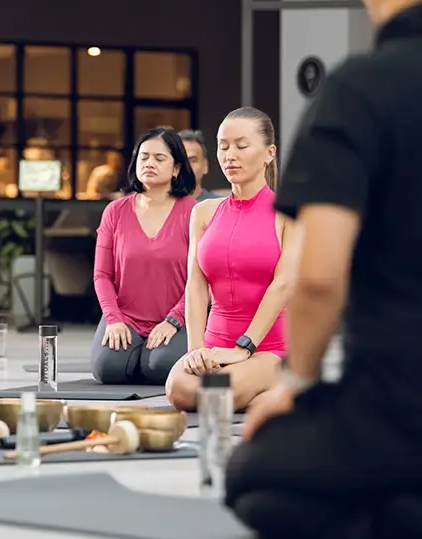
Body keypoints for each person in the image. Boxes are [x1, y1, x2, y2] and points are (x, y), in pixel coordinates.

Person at [226, 0, 422, 536]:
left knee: (254, 472)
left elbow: (317, 275)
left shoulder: (361, 89)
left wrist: (298, 386)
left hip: (395, 404)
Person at [165, 108, 298, 412]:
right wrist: (195, 351)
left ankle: (275, 384)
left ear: (269, 153)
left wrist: (244, 347)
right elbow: (196, 285)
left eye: (241, 145)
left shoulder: (289, 212)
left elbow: (283, 285)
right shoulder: (204, 212)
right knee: (177, 387)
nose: (230, 155)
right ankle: (273, 398)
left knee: (219, 391)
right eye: (223, 146)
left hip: (269, 349)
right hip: (214, 348)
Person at [90, 128, 196, 385]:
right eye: (144, 157)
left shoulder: (194, 212)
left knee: (161, 368)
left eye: (159, 159)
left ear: (176, 169)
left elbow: (201, 278)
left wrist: (174, 321)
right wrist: (113, 319)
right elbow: (102, 275)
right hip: (125, 317)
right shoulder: (115, 211)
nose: (149, 164)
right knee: (108, 370)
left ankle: (146, 355)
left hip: (175, 318)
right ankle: (136, 353)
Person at [177, 129, 216, 201]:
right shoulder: (157, 207)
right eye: (180, 160)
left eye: (193, 160)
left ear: (205, 166)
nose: (186, 166)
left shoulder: (219, 206)